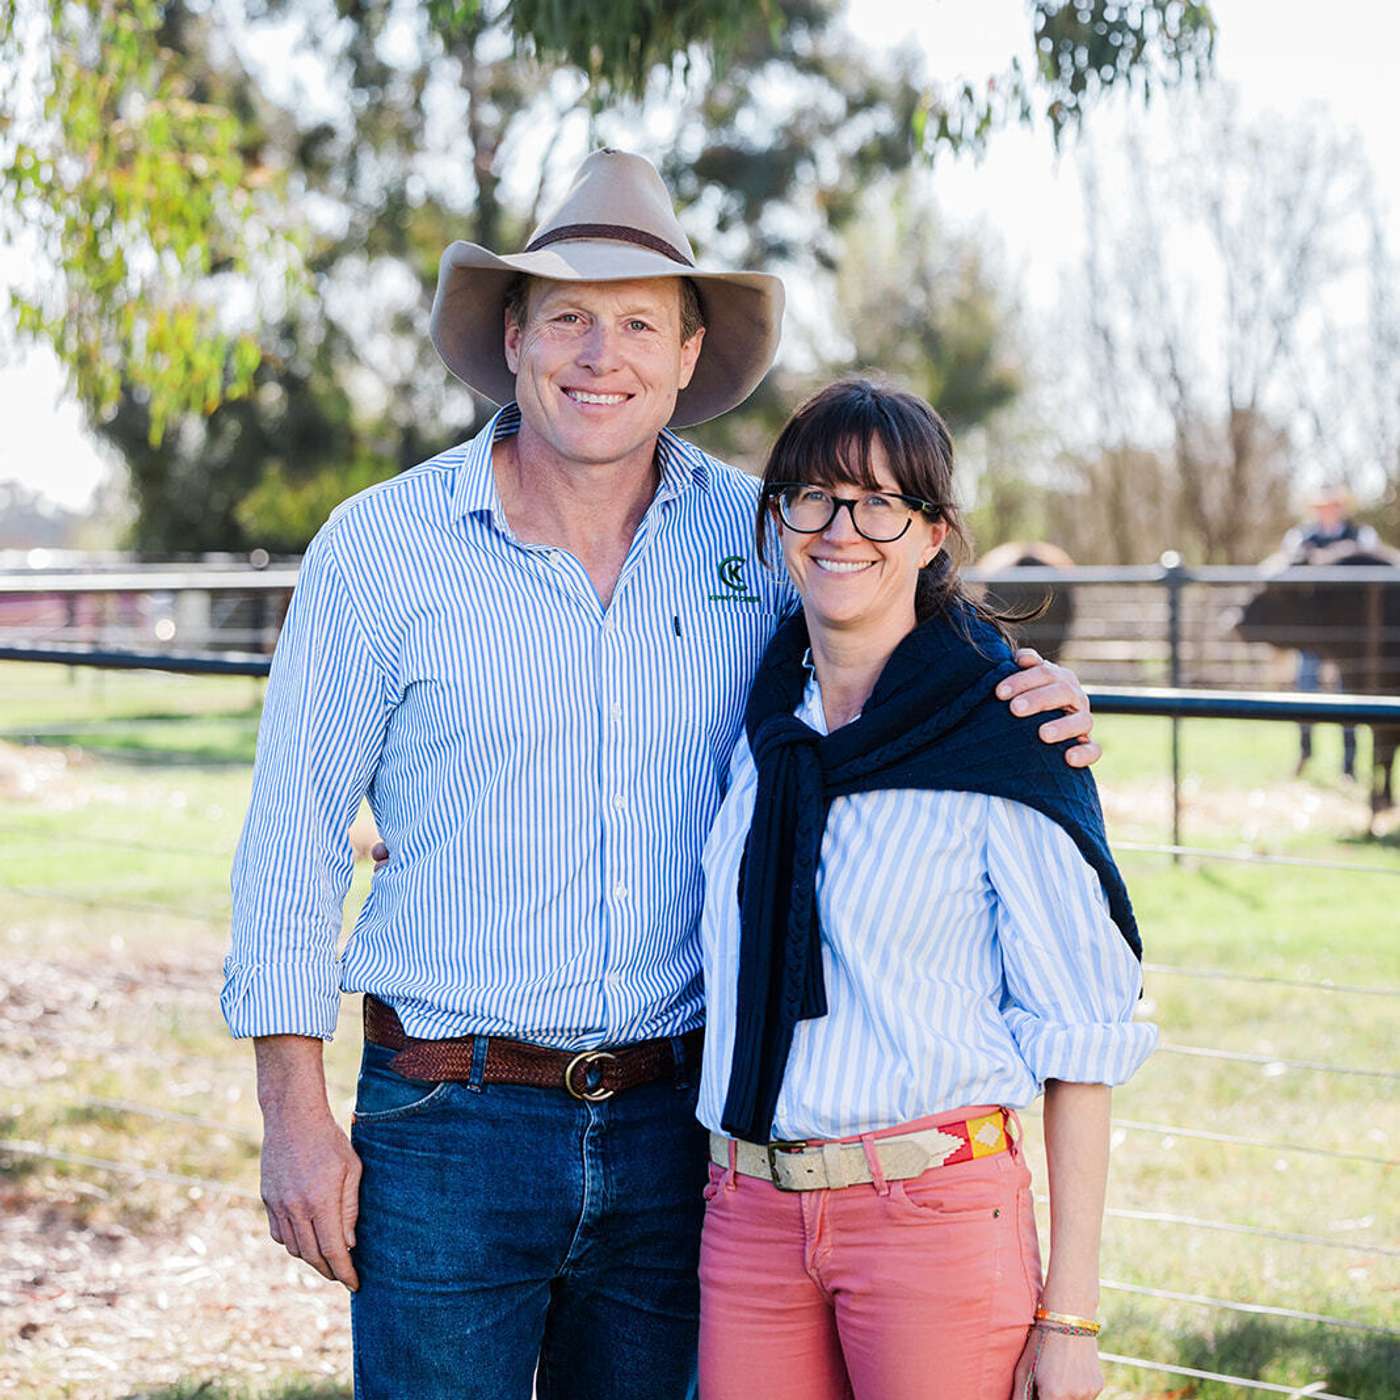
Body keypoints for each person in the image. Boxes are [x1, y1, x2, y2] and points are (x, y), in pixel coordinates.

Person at [221, 150, 1103, 1400]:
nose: (602, 353)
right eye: (570, 317)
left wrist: (1025, 689)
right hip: (444, 1120)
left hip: (675, 1127)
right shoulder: (379, 548)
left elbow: (891, 613)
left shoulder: (754, 534)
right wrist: (293, 1117)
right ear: (514, 338)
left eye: (639, 321)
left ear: (688, 356)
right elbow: (290, 836)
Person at [694, 380, 1156, 1400]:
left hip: (931, 1216)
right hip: (747, 1211)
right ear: (777, 520)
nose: (839, 527)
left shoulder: (1004, 737)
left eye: (878, 502)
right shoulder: (758, 721)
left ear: (932, 531)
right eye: (810, 495)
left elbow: (1080, 1034)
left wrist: (1069, 1314)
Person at [1282, 485, 1378, 779]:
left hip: (1348, 636)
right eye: (1322, 505)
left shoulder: (1361, 535)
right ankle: (1305, 751)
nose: (1328, 509)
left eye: (1333, 504)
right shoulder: (1300, 537)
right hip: (1314, 634)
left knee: (1346, 698)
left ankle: (1348, 765)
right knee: (1306, 691)